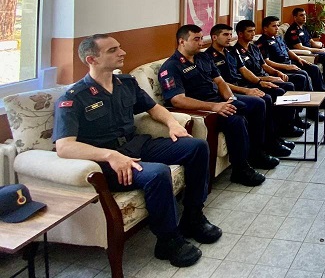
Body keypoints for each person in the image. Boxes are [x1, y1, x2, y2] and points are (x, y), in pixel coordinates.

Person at [54, 34, 221, 268]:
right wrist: (110, 155)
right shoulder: (74, 98)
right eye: (113, 50)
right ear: (92, 59)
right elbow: (64, 146)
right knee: (157, 173)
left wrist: (173, 123)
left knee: (196, 147)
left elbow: (154, 109)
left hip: (136, 144)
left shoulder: (126, 83)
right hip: (108, 161)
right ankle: (168, 240)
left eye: (120, 48)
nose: (122, 53)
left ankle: (193, 216)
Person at [159, 25, 276, 186]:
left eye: (201, 38)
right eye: (196, 39)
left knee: (258, 103)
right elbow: (177, 100)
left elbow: (220, 81)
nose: (201, 43)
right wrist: (213, 107)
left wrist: (231, 99)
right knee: (236, 120)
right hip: (202, 109)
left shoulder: (203, 58)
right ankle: (240, 170)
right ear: (182, 41)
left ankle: (257, 152)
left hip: (219, 100)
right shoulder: (171, 67)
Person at [201, 23, 297, 153]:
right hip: (231, 90)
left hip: (243, 84)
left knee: (277, 91)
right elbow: (219, 82)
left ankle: (275, 136)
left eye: (230, 34)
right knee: (265, 99)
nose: (229, 38)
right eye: (225, 35)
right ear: (214, 37)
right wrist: (249, 89)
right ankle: (264, 146)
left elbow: (244, 70)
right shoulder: (207, 57)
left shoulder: (232, 51)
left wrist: (259, 82)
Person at [256, 16, 325, 112]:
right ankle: (311, 110)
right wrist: (286, 66)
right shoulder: (262, 42)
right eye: (274, 26)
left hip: (290, 63)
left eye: (278, 25)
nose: (277, 28)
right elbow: (266, 62)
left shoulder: (278, 38)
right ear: (265, 28)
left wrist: (299, 59)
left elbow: (288, 51)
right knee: (303, 75)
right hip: (280, 67)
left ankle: (322, 100)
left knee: (314, 68)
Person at [286, 7, 325, 90]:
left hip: (311, 50)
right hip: (305, 54)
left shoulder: (303, 28)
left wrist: (321, 47)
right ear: (295, 17)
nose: (304, 17)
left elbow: (312, 42)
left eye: (305, 15)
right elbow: (300, 47)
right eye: (301, 15)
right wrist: (319, 50)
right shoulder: (293, 31)